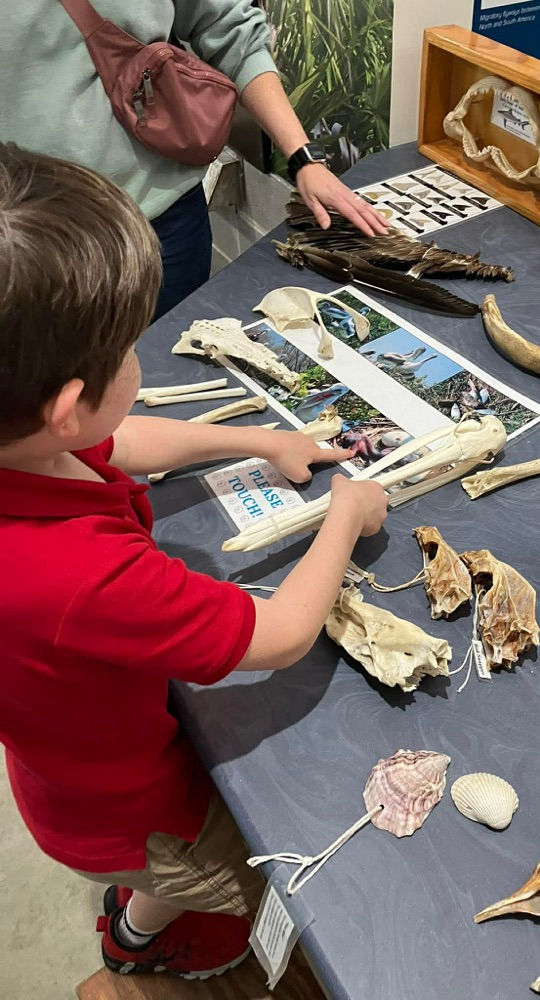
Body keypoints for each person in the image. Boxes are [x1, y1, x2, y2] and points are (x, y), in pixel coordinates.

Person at [0, 144, 389, 978]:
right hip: (137, 807)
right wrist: (347, 512)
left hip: (66, 773)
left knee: (160, 868)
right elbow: (283, 632)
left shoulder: (27, 446)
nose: (142, 363)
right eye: (131, 349)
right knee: (224, 887)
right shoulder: (75, 576)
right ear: (66, 407)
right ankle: (146, 940)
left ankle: (136, 918)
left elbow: (123, 440)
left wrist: (262, 438)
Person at [0, 0, 387, 318]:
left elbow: (230, 28)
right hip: (28, 240)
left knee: (177, 382)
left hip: (164, 221)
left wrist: (304, 157)